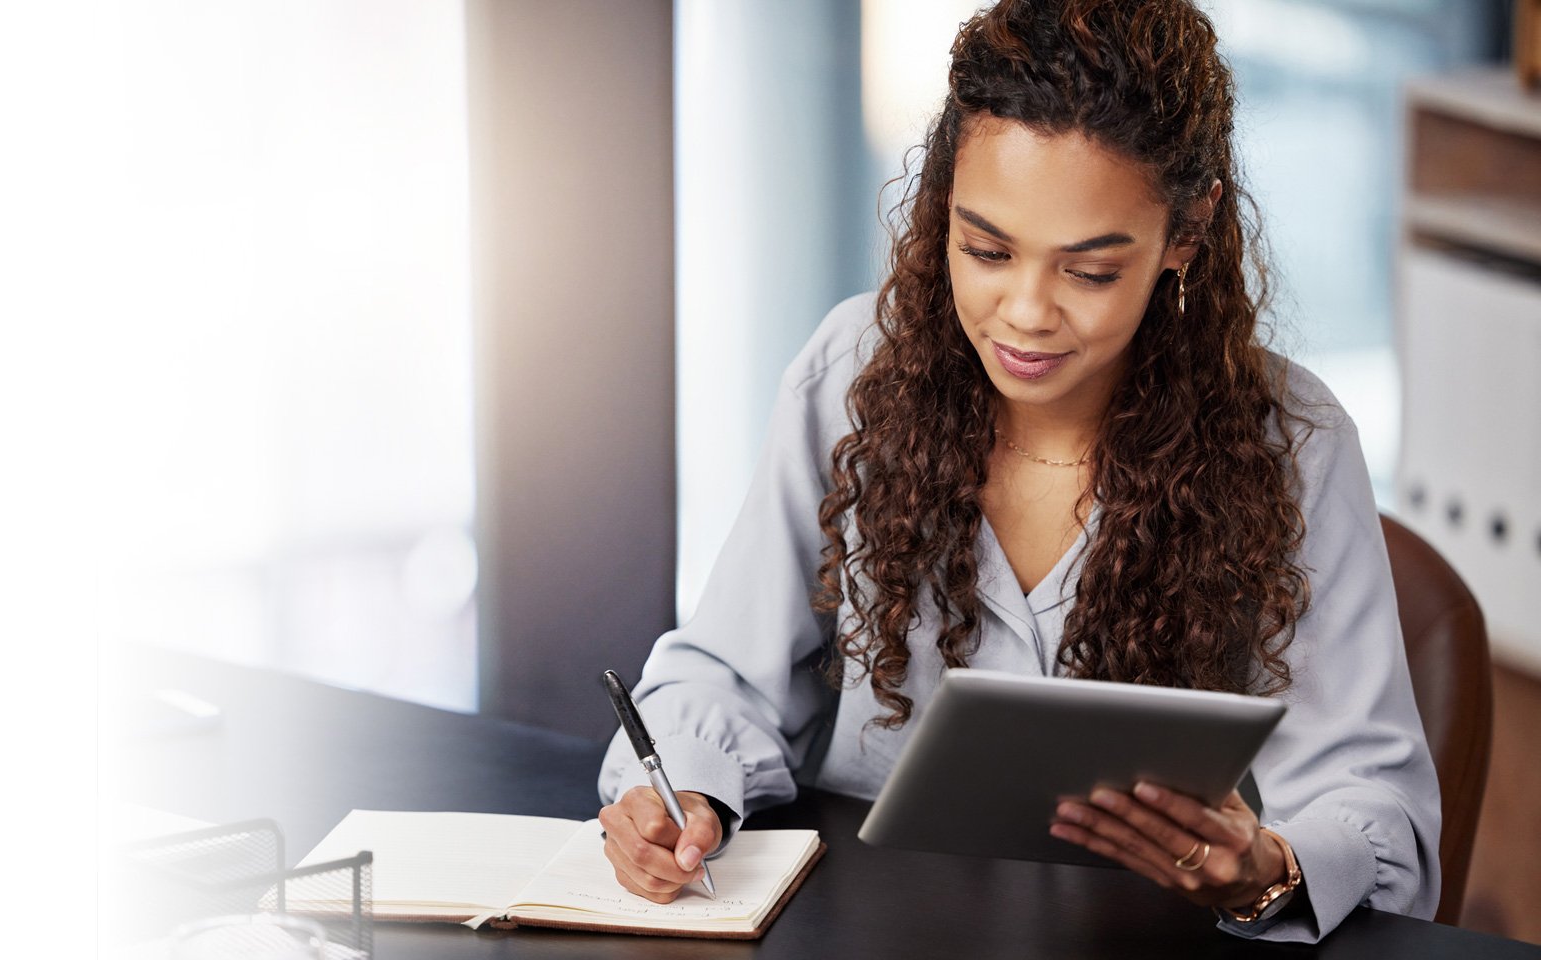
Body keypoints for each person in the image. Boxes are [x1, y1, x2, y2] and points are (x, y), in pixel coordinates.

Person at [595, 0, 1440, 943]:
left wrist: (1264, 867)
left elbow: (1378, 810)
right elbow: (723, 677)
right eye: (986, 249)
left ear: (1187, 234)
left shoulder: (1294, 441)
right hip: (872, 932)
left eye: (1088, 272)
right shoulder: (852, 378)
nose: (1025, 315)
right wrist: (680, 792)